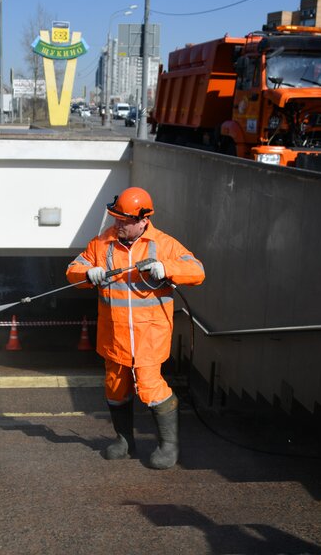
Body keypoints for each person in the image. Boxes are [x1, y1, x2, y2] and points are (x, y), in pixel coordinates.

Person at [65, 187, 205, 469]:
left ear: (143, 220)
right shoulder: (101, 244)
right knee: (115, 387)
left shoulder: (163, 244)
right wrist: (87, 273)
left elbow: (197, 270)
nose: (117, 224)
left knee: (150, 388)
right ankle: (124, 441)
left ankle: (168, 446)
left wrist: (166, 268)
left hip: (149, 336)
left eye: (124, 221)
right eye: (116, 218)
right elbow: (72, 270)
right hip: (114, 336)